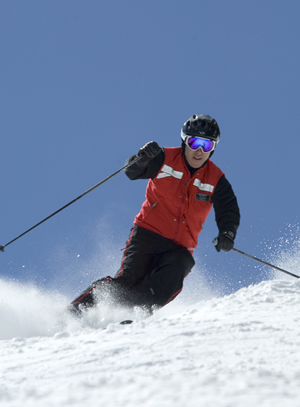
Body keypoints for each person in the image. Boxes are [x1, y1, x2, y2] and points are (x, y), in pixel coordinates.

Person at [69, 114, 240, 318]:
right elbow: (132, 172)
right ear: (185, 140)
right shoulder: (163, 158)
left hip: (181, 246)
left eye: (207, 145)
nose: (199, 151)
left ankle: (130, 314)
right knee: (128, 280)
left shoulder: (216, 179)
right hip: (148, 234)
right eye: (194, 142)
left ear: (213, 148)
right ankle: (74, 314)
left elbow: (228, 208)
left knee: (173, 274)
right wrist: (142, 157)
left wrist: (227, 234)